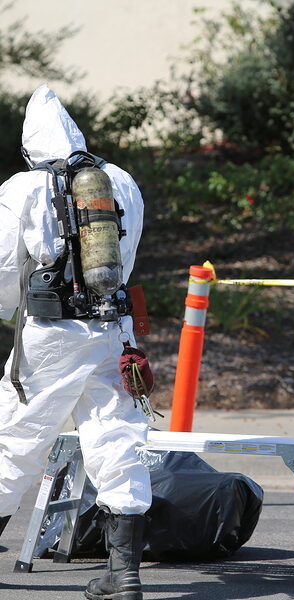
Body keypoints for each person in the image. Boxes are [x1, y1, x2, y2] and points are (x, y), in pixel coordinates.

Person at [0, 84, 151, 600]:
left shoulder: (22, 188)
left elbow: (3, 268)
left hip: (52, 335)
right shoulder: (122, 182)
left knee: (16, 440)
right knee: (119, 443)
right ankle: (125, 573)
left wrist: (6, 315)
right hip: (114, 330)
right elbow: (122, 262)